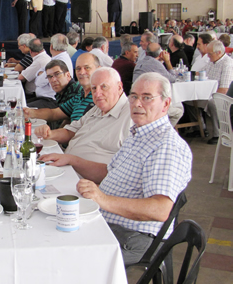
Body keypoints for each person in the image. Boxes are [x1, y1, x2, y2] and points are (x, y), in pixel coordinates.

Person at [77, 72, 192, 265]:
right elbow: (109, 172)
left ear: (165, 104)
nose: (137, 103)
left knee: (66, 257)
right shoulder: (139, 134)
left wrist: (102, 199)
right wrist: (72, 161)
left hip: (134, 236)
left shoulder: (166, 146)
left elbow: (160, 209)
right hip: (111, 223)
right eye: (134, 96)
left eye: (147, 97)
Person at [37, 67, 131, 180]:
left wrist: (71, 160)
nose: (97, 93)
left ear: (119, 87)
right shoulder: (98, 108)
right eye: (94, 88)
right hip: (66, 168)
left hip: (84, 182)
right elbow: (71, 131)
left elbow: (124, 174)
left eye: (104, 87)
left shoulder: (131, 117)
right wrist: (49, 134)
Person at [24, 53, 97, 123]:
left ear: (68, 75)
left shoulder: (76, 91)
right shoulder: (79, 95)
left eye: (57, 74)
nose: (53, 80)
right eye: (50, 76)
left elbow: (67, 121)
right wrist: (28, 112)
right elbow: (55, 113)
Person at [132, 42, 183, 126]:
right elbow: (173, 78)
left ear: (146, 53)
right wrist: (167, 61)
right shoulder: (155, 64)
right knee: (179, 109)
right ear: (160, 54)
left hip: (136, 101)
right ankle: (162, 130)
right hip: (149, 103)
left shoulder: (140, 63)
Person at [205, 41, 233, 144]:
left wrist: (209, 96)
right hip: (208, 92)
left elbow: (224, 89)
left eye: (210, 54)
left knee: (212, 102)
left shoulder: (227, 64)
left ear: (219, 52)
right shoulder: (212, 61)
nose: (208, 56)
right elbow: (202, 73)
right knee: (189, 99)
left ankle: (218, 134)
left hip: (222, 96)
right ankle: (199, 128)